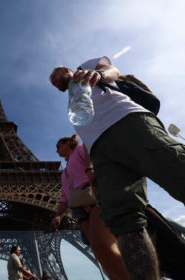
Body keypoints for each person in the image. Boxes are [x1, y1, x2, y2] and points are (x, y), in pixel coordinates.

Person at [49, 56, 185, 279]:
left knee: (178, 171)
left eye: (53, 77)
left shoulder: (87, 68)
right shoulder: (71, 99)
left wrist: (99, 75)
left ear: (65, 68)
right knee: (124, 222)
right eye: (52, 83)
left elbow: (113, 70)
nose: (54, 82)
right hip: (101, 152)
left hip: (127, 121)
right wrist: (93, 168)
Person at [52, 134, 128, 280]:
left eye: (58, 147)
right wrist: (57, 216)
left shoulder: (80, 150)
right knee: (99, 252)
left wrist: (90, 168)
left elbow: (92, 155)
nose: (57, 151)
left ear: (67, 143)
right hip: (78, 208)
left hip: (93, 196)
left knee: (102, 244)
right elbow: (64, 198)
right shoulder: (65, 171)